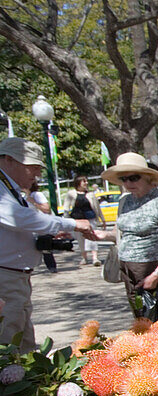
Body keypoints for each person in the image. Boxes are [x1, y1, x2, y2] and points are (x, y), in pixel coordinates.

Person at [0, 138, 92, 350]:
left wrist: (42, 239)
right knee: (8, 345)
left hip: (17, 277)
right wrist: (71, 224)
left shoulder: (10, 189)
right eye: (31, 167)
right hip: (7, 279)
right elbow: (18, 218)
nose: (36, 175)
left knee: (23, 344)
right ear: (9, 160)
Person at [89, 153, 158, 319]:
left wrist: (156, 275)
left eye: (133, 178)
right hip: (130, 271)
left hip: (157, 270)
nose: (128, 183)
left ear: (148, 177)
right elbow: (121, 234)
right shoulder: (125, 201)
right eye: (123, 179)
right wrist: (100, 235)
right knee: (142, 320)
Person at [65, 176, 105, 265]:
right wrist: (66, 221)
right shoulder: (71, 194)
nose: (86, 183)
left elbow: (97, 207)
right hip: (77, 219)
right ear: (78, 183)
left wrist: (102, 219)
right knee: (80, 238)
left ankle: (95, 258)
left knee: (92, 237)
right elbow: (66, 208)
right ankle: (84, 258)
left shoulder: (91, 194)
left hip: (90, 218)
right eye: (84, 181)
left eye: (86, 181)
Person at [25, 185, 58, 273]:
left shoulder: (37, 194)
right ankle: (29, 268)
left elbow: (47, 209)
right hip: (31, 226)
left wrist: (34, 203)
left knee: (45, 246)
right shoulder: (24, 196)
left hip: (40, 225)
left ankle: (52, 267)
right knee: (29, 246)